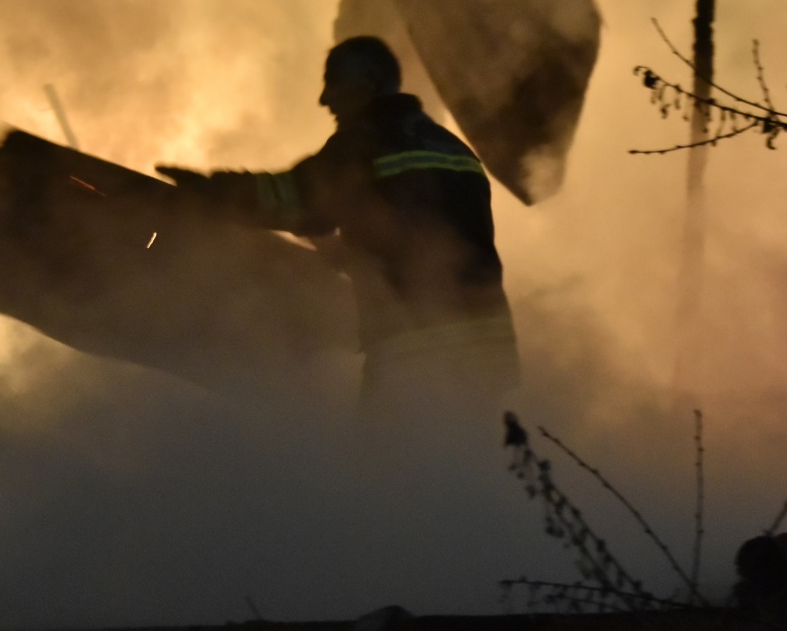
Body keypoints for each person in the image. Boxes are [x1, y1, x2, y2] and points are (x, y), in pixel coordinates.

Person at [157, 36, 518, 404]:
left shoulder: (367, 142)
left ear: (369, 83)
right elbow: (424, 239)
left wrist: (212, 191)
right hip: (491, 350)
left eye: (334, 81)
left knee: (391, 459)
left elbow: (298, 199)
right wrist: (345, 253)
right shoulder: (454, 149)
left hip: (418, 348)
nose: (324, 99)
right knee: (473, 458)